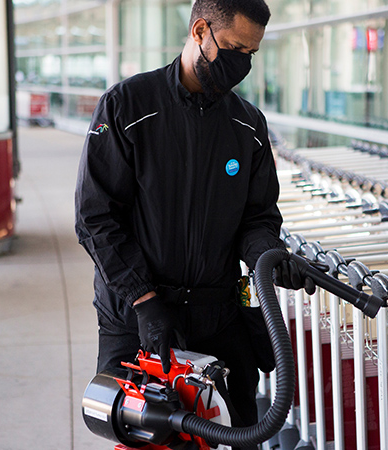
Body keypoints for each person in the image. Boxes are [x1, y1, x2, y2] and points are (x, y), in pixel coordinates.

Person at [74, 0, 312, 440]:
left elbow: (257, 218)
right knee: (147, 439)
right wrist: (144, 302)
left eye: (252, 54)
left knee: (239, 434)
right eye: (235, 48)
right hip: (137, 319)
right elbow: (95, 218)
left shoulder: (248, 125)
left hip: (216, 317)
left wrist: (269, 257)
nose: (242, 64)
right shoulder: (127, 107)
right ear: (200, 30)